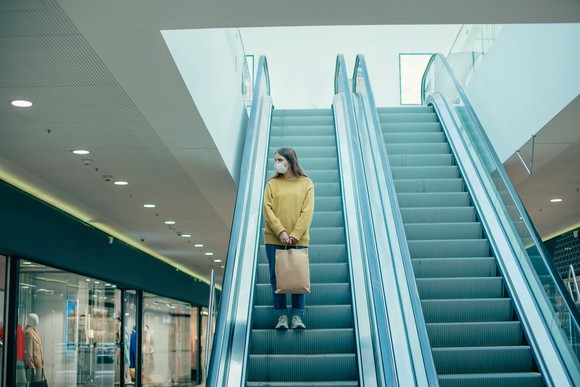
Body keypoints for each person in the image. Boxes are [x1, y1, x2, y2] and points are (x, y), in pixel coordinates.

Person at [263, 147, 314, 330]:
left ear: (290, 162)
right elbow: (267, 210)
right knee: (276, 278)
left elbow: (307, 212)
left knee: (298, 276)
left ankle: (297, 316)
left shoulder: (306, 183)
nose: (276, 163)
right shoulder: (272, 184)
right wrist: (281, 232)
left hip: (298, 239)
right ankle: (281, 316)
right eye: (275, 160)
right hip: (274, 238)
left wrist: (294, 234)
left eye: (279, 160)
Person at [25, 313, 45, 383]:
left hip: (39, 364)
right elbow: (28, 352)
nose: (37, 320)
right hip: (35, 366)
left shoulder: (34, 330)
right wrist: (32, 367)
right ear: (31, 320)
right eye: (35, 319)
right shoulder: (28, 333)